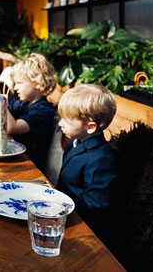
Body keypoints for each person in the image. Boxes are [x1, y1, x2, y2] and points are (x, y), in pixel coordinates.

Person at [56, 83, 118, 225]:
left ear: (90, 127)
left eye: (68, 120)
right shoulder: (74, 143)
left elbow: (95, 205)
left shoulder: (101, 159)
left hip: (79, 222)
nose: (60, 124)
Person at [5, 54, 59, 172]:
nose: (15, 88)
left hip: (30, 167)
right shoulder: (22, 104)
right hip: (15, 158)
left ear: (37, 83)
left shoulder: (44, 111)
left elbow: (11, 127)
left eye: (19, 83)